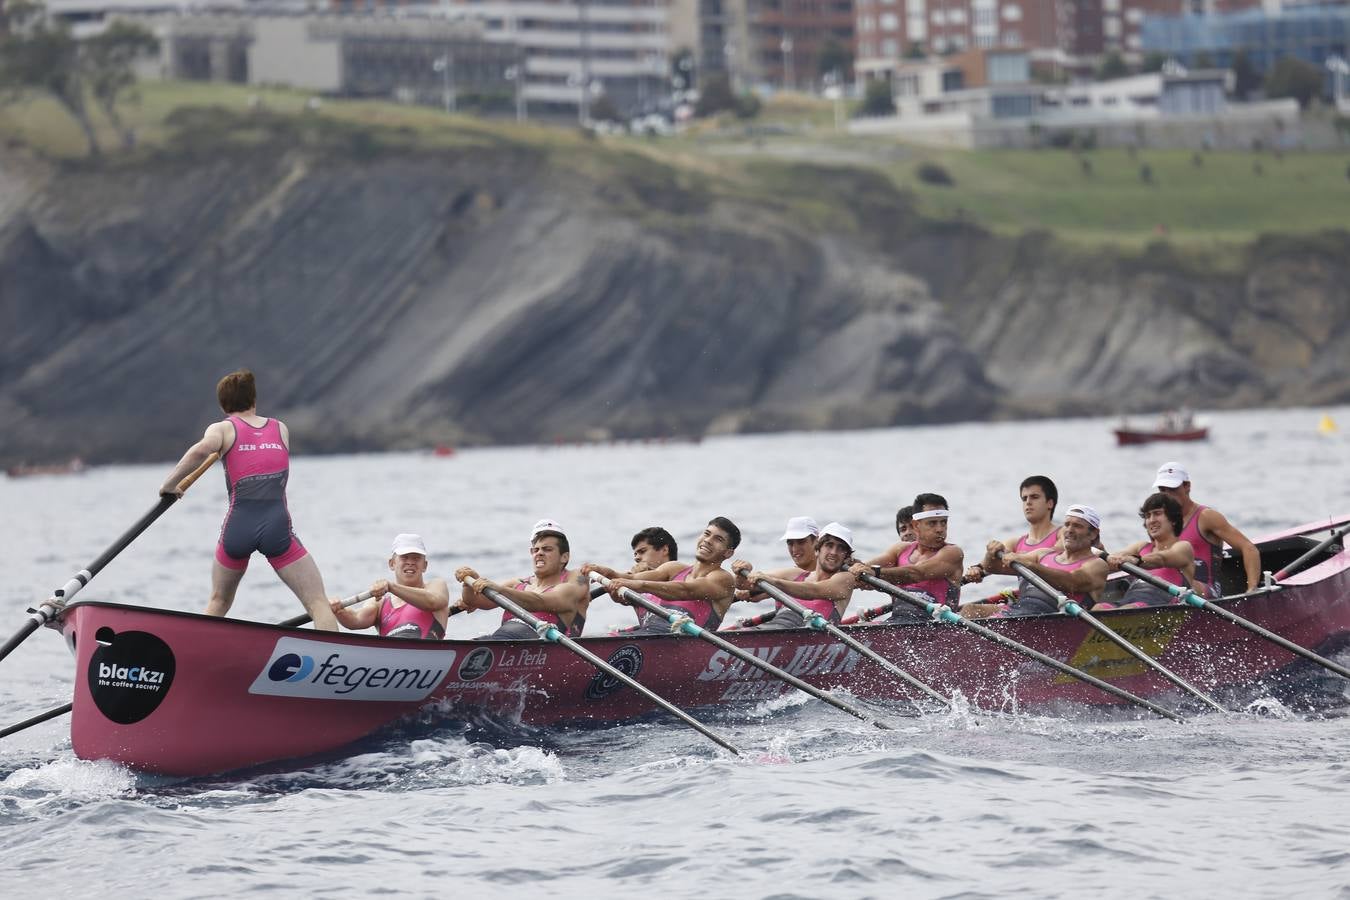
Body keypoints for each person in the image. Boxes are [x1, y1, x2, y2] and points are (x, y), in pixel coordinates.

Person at [158, 369, 336, 630]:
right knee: (319, 603)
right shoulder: (280, 428)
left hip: (238, 528)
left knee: (218, 601)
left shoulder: (222, 429)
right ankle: (329, 663)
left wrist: (169, 485)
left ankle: (193, 653)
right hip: (278, 528)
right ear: (254, 399)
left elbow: (200, 450)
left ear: (223, 405)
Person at [583, 517, 740, 635]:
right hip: (647, 639)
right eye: (707, 534)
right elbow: (632, 579)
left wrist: (639, 585)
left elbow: (685, 590)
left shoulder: (724, 579)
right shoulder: (673, 568)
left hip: (684, 650)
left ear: (728, 553)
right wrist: (610, 574)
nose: (708, 541)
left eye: (718, 539)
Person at [966, 505, 1110, 618]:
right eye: (1067, 524)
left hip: (1051, 619)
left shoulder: (1097, 565)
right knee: (970, 610)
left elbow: (1072, 582)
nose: (1069, 530)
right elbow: (993, 568)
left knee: (993, 623)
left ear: (1093, 533)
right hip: (1020, 611)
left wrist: (1030, 565)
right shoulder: (1043, 554)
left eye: (1077, 526)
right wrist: (990, 554)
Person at [454, 520, 590, 639]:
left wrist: (500, 589)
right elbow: (473, 600)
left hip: (543, 648)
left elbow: (540, 601)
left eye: (547, 549)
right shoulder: (517, 584)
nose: (540, 553)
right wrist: (470, 584)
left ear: (564, 557)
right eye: (535, 550)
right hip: (503, 641)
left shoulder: (573, 581)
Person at [849, 493, 964, 623]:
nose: (940, 529)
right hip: (897, 623)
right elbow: (864, 568)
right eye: (932, 523)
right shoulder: (900, 550)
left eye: (943, 522)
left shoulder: (952, 553)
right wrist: (855, 571)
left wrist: (875, 572)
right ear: (916, 525)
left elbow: (917, 573)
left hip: (937, 628)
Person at [1153, 461, 1261, 595]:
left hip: (1206, 592)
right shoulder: (1160, 522)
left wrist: (1252, 589)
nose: (1167, 495)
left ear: (1187, 486)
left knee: (1174, 583)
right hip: (1173, 588)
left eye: (1173, 489)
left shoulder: (1207, 517)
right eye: (1163, 490)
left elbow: (1249, 548)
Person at [733, 522, 857, 629]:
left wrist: (773, 582)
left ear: (846, 556)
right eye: (829, 545)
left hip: (809, 638)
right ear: (817, 549)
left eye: (840, 548)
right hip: (776, 629)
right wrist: (743, 570)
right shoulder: (794, 574)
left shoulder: (845, 579)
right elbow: (743, 584)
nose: (834, 552)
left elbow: (812, 591)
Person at [331, 533, 449, 639]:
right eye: (404, 557)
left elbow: (432, 602)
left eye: (416, 558)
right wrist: (340, 611)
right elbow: (356, 620)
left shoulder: (436, 585)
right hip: (389, 659)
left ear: (425, 565)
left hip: (426, 657)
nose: (410, 562)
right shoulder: (379, 603)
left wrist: (391, 587)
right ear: (392, 564)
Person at [1096, 493, 1196, 610]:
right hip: (1131, 599)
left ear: (1173, 519)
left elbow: (1161, 559)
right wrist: (1101, 553)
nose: (1151, 520)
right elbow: (1115, 559)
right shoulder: (1141, 547)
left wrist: (1135, 560)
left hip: (1162, 605)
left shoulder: (1183, 547)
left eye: (1157, 514)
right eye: (1148, 516)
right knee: (1098, 608)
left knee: (1127, 609)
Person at [964, 475, 1061, 586]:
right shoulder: (1015, 543)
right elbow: (987, 566)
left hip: (1055, 600)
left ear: (1050, 503)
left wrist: (1020, 557)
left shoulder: (1064, 534)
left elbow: (1052, 556)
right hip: (1027, 599)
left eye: (1034, 497)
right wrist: (977, 568)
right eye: (1024, 499)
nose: (1028, 502)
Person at [730, 516, 818, 609]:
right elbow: (742, 584)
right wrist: (743, 571)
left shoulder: (832, 577)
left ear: (816, 541)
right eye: (790, 543)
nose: (795, 549)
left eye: (801, 542)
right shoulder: (789, 575)